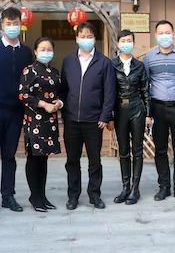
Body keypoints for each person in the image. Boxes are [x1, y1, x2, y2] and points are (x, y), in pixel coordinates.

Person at [0, 7, 33, 216]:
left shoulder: (26, 52)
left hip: (16, 110)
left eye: (15, 24)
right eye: (8, 24)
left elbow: (30, 81)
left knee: (10, 155)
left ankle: (8, 195)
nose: (12, 27)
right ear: (2, 26)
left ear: (21, 25)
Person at [61, 21, 116, 210]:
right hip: (72, 121)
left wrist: (105, 116)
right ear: (77, 38)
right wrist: (64, 112)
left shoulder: (104, 62)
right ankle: (73, 196)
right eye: (82, 36)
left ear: (95, 38)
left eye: (89, 36)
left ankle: (94, 195)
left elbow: (109, 92)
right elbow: (63, 89)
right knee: (72, 161)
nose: (86, 39)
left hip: (94, 121)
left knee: (95, 161)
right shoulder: (68, 61)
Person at [143, 20, 175, 204]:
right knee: (160, 149)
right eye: (161, 33)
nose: (164, 36)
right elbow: (145, 86)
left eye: (168, 33)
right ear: (156, 36)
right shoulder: (149, 58)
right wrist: (148, 113)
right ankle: (164, 186)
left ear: (173, 35)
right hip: (157, 108)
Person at [19, 37, 62, 212]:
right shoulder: (29, 70)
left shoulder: (54, 71)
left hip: (50, 120)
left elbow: (60, 92)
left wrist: (59, 103)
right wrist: (43, 104)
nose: (46, 52)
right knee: (34, 157)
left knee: (44, 158)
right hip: (34, 119)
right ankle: (34, 196)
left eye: (49, 49)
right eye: (42, 49)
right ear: (36, 51)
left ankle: (42, 196)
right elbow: (23, 95)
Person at [112, 30, 151, 205]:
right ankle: (125, 187)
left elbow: (145, 90)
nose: (126, 43)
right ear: (118, 44)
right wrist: (109, 115)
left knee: (137, 150)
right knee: (123, 151)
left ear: (133, 43)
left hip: (137, 108)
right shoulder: (112, 65)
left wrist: (148, 113)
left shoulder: (139, 66)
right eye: (123, 40)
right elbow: (109, 92)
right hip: (120, 109)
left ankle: (135, 189)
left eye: (129, 41)